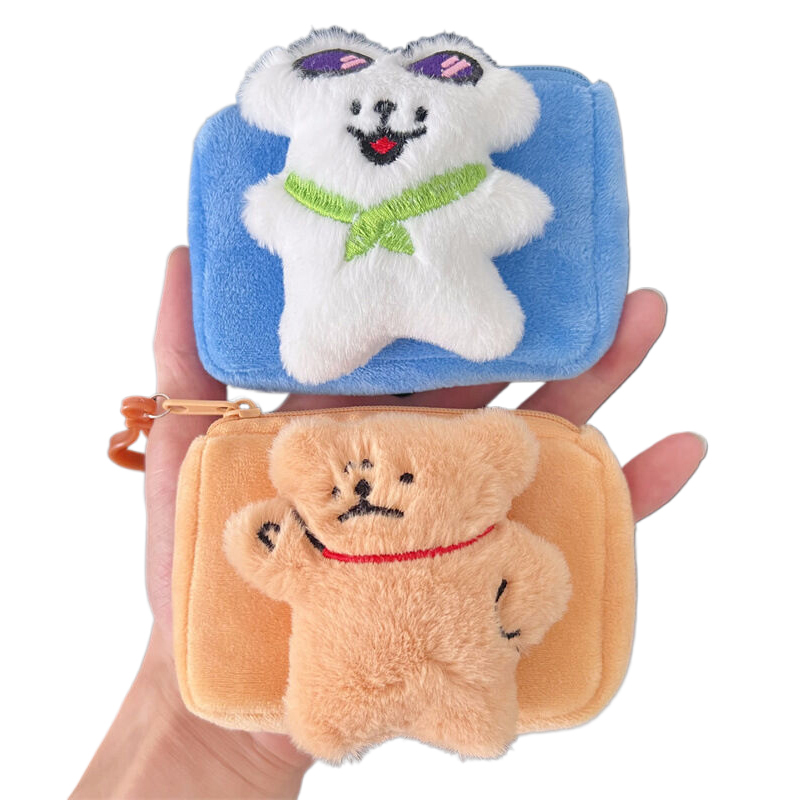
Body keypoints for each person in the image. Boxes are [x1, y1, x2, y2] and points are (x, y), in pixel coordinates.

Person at [72, 247, 706, 799]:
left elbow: (537, 579)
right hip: (330, 692)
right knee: (336, 712)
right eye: (349, 481)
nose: (367, 491)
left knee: (450, 709)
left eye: (401, 479)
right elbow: (283, 560)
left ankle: (454, 706)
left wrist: (517, 617)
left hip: (453, 684)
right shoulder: (331, 553)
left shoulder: (485, 542)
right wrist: (272, 544)